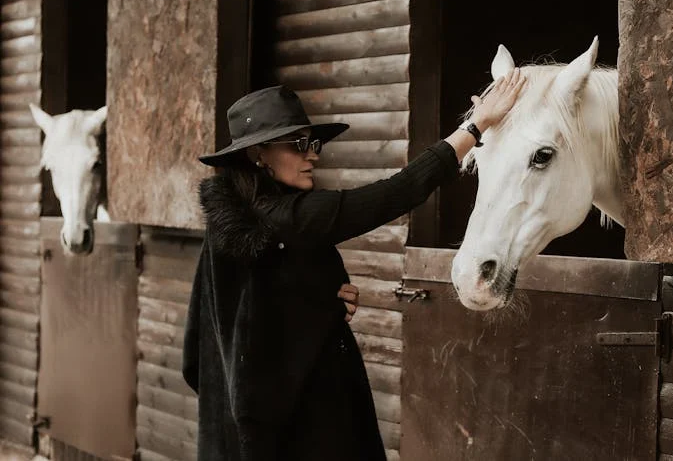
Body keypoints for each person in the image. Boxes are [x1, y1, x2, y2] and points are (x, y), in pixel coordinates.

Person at [183, 68, 525, 461]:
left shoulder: (233, 223)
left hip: (236, 435)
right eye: (297, 144)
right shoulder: (292, 217)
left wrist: (319, 301)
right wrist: (476, 125)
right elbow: (398, 192)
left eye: (312, 142)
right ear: (257, 154)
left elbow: (205, 350)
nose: (312, 153)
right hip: (296, 435)